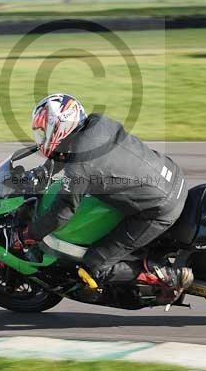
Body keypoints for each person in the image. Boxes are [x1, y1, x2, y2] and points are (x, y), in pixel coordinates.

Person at [15, 93, 193, 293]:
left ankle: (167, 277)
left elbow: (62, 212)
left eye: (44, 132)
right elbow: (70, 151)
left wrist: (30, 234)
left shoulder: (80, 167)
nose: (41, 138)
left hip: (159, 208)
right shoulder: (98, 122)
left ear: (59, 127)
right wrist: (44, 171)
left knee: (95, 264)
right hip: (172, 175)